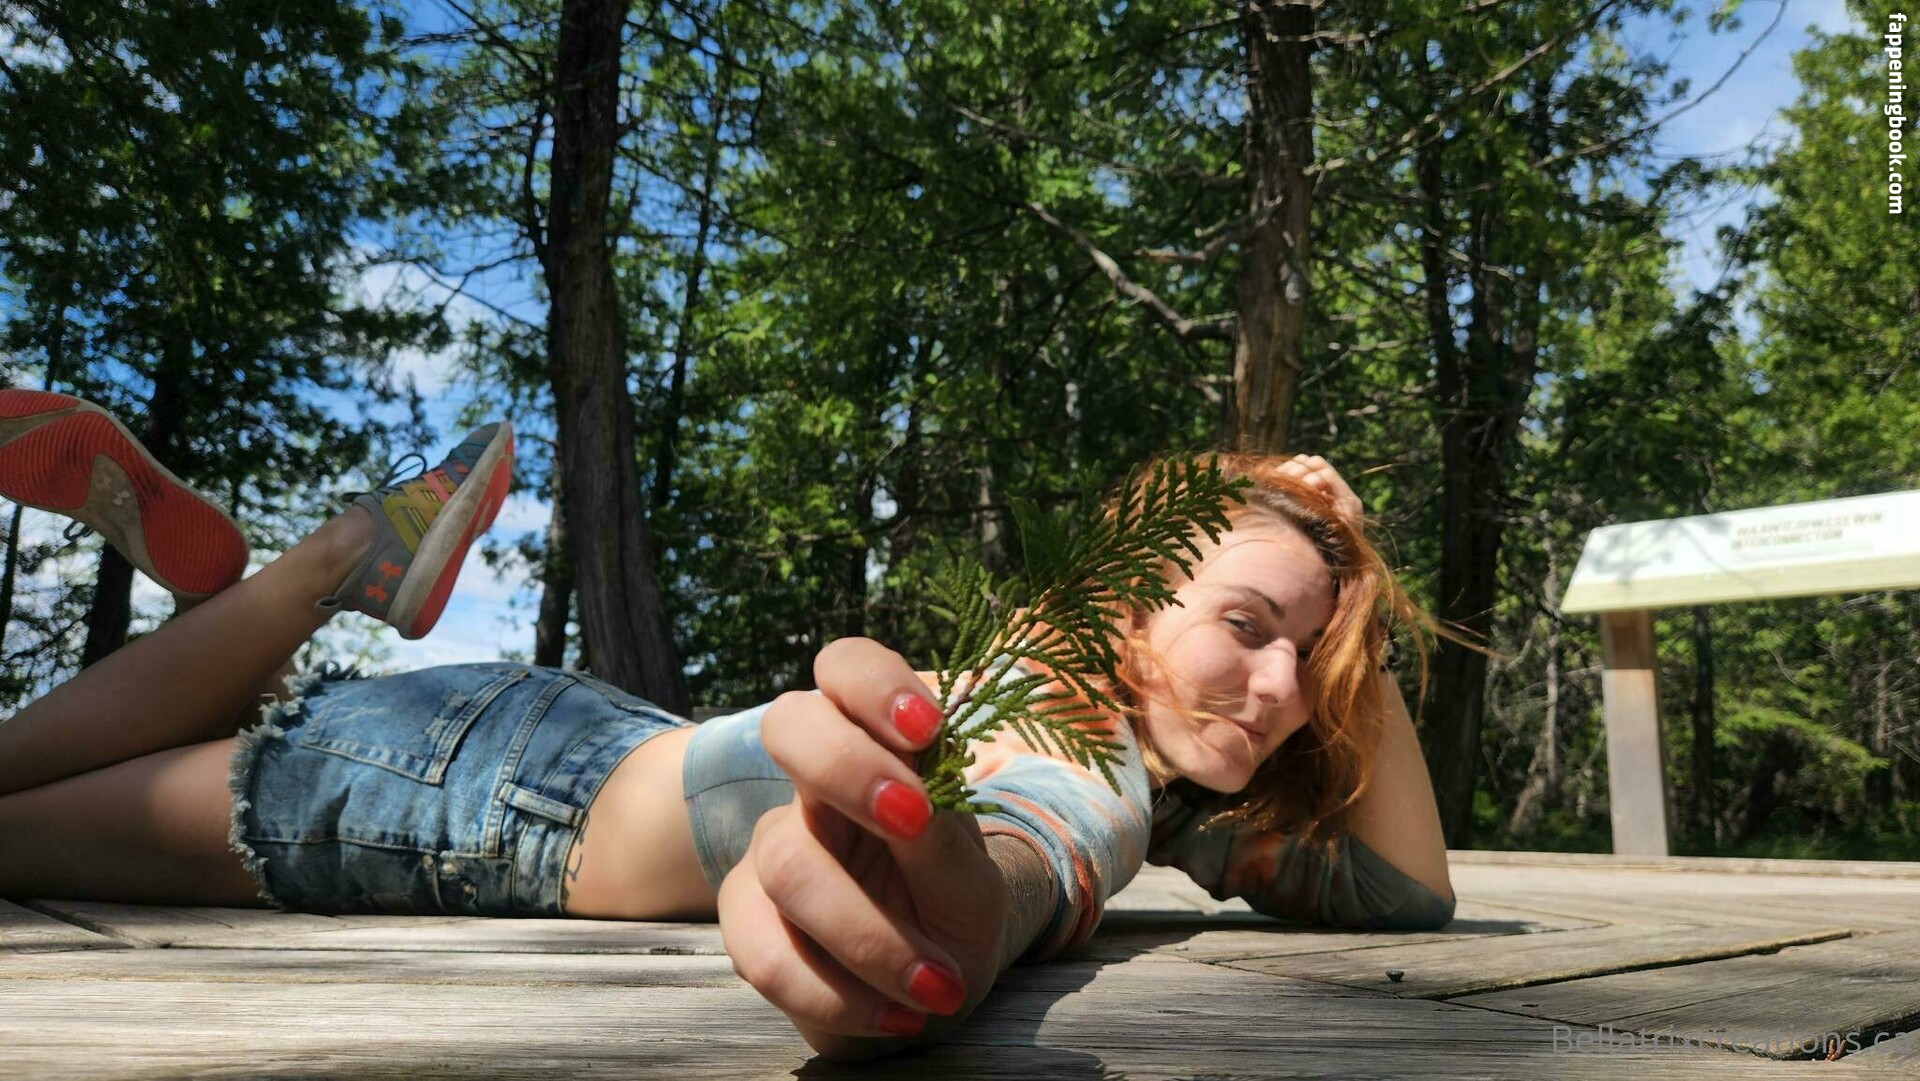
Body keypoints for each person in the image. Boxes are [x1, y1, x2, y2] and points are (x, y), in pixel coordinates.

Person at [0, 388, 1455, 1062]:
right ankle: (326, 563)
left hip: (543, 740)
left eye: (1314, 658)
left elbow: (1405, 893)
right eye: (1246, 626)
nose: (1284, 687)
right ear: (1122, 608)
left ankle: (316, 571)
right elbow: (1038, 831)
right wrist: (972, 900)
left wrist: (1357, 602)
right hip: (479, 792)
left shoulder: (1183, 795)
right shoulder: (1077, 732)